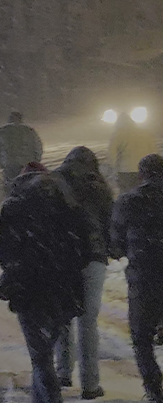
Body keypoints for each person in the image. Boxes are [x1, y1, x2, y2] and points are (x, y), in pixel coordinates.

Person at [0, 161, 91, 403]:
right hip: (63, 287)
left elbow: (1, 247)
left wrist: (16, 265)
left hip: (28, 289)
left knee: (41, 357)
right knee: (47, 348)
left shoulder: (14, 206)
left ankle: (50, 398)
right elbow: (84, 246)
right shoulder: (68, 205)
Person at [52, 147, 113, 400]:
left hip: (63, 260)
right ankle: (90, 385)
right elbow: (111, 223)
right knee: (88, 322)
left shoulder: (53, 183)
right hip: (93, 259)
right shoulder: (99, 186)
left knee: (62, 317)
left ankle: (63, 372)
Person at [109, 153, 163, 403]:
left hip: (144, 278)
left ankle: (153, 388)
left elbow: (116, 245)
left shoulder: (129, 201)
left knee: (141, 338)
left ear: (141, 174)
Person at [0, 111, 44, 193]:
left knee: (10, 184)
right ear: (21, 119)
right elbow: (38, 147)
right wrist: (36, 161)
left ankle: (10, 199)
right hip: (27, 163)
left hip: (8, 162)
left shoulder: (1, 131)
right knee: (26, 184)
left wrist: (0, 161)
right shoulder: (29, 131)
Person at [109, 115, 158, 193]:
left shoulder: (118, 134)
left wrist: (114, 170)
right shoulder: (146, 133)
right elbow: (153, 151)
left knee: (127, 196)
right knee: (145, 194)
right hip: (145, 170)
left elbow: (112, 154)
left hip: (126, 171)